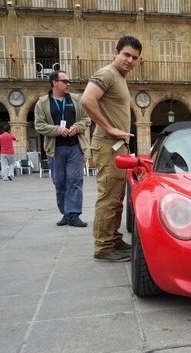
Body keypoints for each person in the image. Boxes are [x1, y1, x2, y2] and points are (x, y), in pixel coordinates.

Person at [80, 36, 142, 262]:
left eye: (135, 57)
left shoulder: (119, 77)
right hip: (108, 144)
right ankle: (103, 247)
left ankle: (113, 238)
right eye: (126, 54)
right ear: (115, 53)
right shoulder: (107, 73)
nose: (130, 60)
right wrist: (108, 127)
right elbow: (87, 100)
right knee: (109, 196)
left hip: (117, 146)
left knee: (117, 196)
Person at [34, 70, 91, 227]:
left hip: (74, 147)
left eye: (68, 81)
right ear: (55, 83)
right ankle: (65, 213)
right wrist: (58, 130)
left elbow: (86, 120)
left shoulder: (76, 100)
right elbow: (39, 125)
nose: (68, 84)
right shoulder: (43, 103)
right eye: (65, 81)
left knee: (75, 180)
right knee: (59, 182)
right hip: (55, 148)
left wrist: (77, 127)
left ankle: (73, 214)